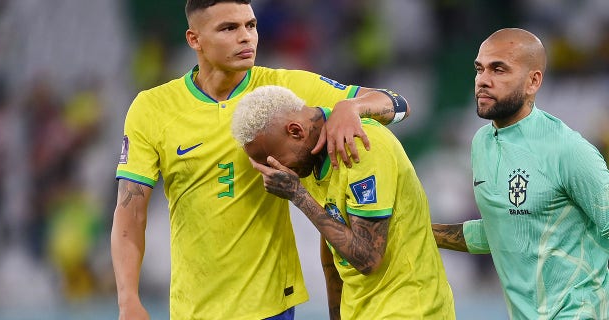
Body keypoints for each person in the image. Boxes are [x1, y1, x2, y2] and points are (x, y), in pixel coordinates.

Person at [110, 1, 410, 319]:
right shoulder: (152, 108)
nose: (246, 37)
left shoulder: (282, 88)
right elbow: (131, 216)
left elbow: (397, 102)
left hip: (272, 305)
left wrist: (351, 108)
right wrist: (128, 299)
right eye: (229, 28)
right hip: (193, 308)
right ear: (194, 39)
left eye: (250, 25)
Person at [231, 85, 455, 320]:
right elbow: (331, 238)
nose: (279, 171)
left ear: (296, 131)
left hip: (410, 309)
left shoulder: (360, 146)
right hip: (359, 311)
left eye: (276, 161)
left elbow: (368, 259)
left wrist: (298, 196)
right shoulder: (310, 156)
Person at [431, 28, 609, 319]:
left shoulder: (567, 150)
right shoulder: (481, 144)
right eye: (480, 69)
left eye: (499, 69)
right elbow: (504, 230)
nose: (483, 81)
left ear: (533, 81)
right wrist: (423, 232)